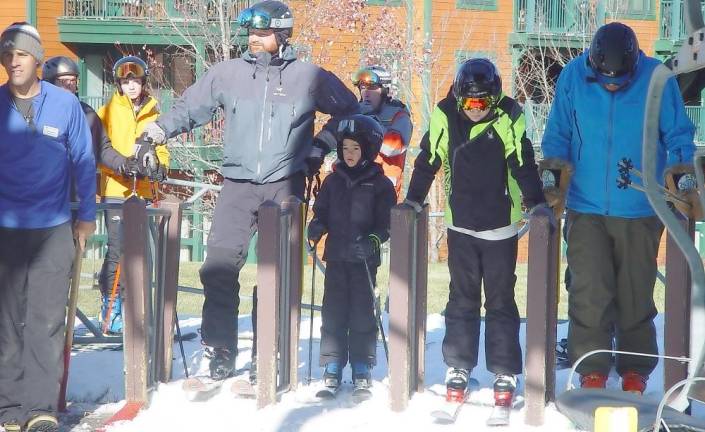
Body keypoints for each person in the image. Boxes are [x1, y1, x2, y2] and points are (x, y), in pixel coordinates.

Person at [140, 0, 359, 381]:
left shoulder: (309, 76)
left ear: (282, 34)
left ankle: (268, 349)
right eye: (250, 33)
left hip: (285, 183)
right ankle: (221, 347)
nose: (253, 39)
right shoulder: (228, 74)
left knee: (276, 273)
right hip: (237, 183)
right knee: (218, 267)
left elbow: (351, 111)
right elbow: (190, 107)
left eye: (261, 33)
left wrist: (320, 145)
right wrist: (156, 131)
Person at [541, 22, 695, 393]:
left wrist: (683, 177)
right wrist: (551, 176)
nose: (611, 85)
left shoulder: (658, 79)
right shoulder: (574, 77)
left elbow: (678, 134)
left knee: (635, 293)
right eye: (604, 79)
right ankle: (590, 369)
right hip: (585, 204)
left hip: (640, 205)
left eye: (619, 80)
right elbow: (558, 131)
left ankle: (635, 370)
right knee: (589, 291)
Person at [404, 58, 550, 406]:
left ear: (494, 99)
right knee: (462, 296)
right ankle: (458, 364)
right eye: (469, 103)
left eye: (482, 103)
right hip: (461, 225)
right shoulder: (444, 115)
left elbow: (521, 161)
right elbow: (429, 158)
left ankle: (504, 368)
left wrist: (536, 201)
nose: (475, 110)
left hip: (500, 225)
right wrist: (412, 200)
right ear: (458, 99)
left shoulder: (509, 116)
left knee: (500, 299)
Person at [0, 22, 96, 432]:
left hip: (54, 226)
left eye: (20, 54)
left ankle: (40, 409)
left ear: (37, 59)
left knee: (45, 320)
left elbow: (84, 161)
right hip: (5, 227)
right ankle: (8, 407)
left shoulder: (64, 104)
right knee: (6, 322)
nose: (12, 61)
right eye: (7, 55)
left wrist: (88, 217)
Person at [307, 114, 396, 392]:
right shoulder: (333, 182)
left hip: (363, 262)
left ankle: (361, 364)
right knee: (333, 312)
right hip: (336, 257)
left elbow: (387, 223)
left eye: (355, 149)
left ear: (368, 150)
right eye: (345, 148)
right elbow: (321, 211)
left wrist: (372, 240)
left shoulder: (380, 185)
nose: (349, 154)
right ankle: (332, 364)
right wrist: (317, 225)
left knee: (361, 313)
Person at [97, 55, 169, 334]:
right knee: (118, 250)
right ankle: (110, 308)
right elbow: (101, 151)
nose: (131, 86)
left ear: (143, 82)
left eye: (135, 81)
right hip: (117, 190)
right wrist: (123, 164)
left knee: (142, 253)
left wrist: (160, 166)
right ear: (119, 84)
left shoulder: (153, 112)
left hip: (144, 191)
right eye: (126, 82)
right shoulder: (108, 112)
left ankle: (138, 309)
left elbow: (162, 148)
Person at [42, 56, 130, 176]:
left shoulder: (87, 114)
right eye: (63, 81)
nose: (69, 85)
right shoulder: (38, 112)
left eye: (73, 80)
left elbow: (102, 148)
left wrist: (126, 164)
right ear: (49, 83)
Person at [351, 65, 413, 198]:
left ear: (385, 90)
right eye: (362, 87)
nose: (366, 93)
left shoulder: (399, 115)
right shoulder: (356, 114)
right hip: (353, 187)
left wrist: (370, 122)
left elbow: (392, 148)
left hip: (383, 191)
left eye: (372, 88)